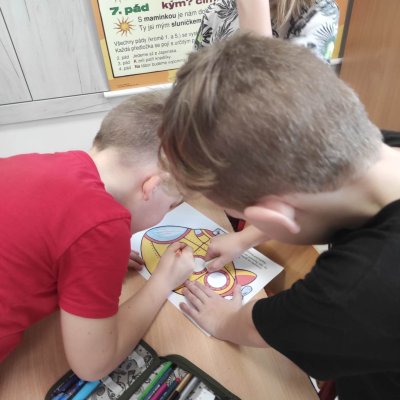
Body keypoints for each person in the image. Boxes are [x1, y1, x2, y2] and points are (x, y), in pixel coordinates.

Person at [158, 33, 400, 399]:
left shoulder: (352, 289)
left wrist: (223, 320)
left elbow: (259, 327)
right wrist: (245, 236)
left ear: (275, 217)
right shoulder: (367, 151)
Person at [0, 92, 195, 380]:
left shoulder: (40, 161)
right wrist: (163, 280)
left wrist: (84, 266)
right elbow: (92, 365)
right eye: (170, 206)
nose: (167, 214)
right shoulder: (102, 225)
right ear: (152, 187)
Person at [195, 0, 339, 62]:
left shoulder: (321, 12)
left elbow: (291, 104)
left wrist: (254, 10)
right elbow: (192, 83)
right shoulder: (219, 9)